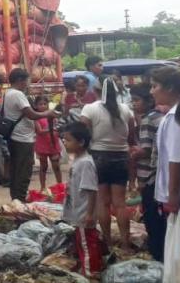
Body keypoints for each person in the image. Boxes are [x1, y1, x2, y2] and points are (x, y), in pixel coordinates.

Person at [80, 75, 136, 250]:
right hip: (121, 157)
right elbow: (131, 136)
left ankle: (108, 243)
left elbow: (82, 133)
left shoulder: (90, 109)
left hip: (99, 157)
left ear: (96, 90)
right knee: (120, 203)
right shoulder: (126, 109)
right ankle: (125, 244)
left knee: (103, 202)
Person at [150, 66, 180, 270]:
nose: (152, 91)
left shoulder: (177, 117)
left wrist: (172, 196)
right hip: (179, 195)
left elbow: (176, 159)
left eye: (155, 86)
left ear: (170, 88)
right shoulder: (174, 114)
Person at [1, 68, 60, 201]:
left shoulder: (8, 93)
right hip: (22, 138)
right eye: (27, 81)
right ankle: (20, 198)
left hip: (15, 137)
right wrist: (48, 113)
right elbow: (31, 115)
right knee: (24, 170)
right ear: (20, 80)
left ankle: (16, 198)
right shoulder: (17, 94)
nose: (28, 84)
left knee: (16, 169)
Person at [61, 122, 101, 278]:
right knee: (83, 241)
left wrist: (90, 213)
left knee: (87, 243)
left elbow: (91, 190)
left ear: (81, 142)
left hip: (84, 212)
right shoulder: (78, 160)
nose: (64, 142)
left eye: (68, 140)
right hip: (78, 211)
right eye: (64, 139)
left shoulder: (85, 163)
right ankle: (89, 268)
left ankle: (91, 272)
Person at [130, 84, 165, 260]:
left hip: (148, 175)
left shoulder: (147, 120)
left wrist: (134, 152)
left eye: (137, 100)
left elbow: (146, 150)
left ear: (149, 101)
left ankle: (157, 253)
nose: (134, 104)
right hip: (160, 174)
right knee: (160, 216)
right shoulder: (161, 116)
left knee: (151, 217)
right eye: (132, 100)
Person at [33, 95, 63, 193]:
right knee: (43, 167)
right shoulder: (36, 117)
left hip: (53, 143)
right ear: (36, 106)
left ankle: (60, 185)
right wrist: (51, 129)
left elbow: (58, 124)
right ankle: (43, 187)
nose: (43, 106)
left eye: (44, 104)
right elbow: (39, 131)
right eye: (40, 104)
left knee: (56, 166)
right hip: (42, 145)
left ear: (48, 104)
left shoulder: (52, 115)